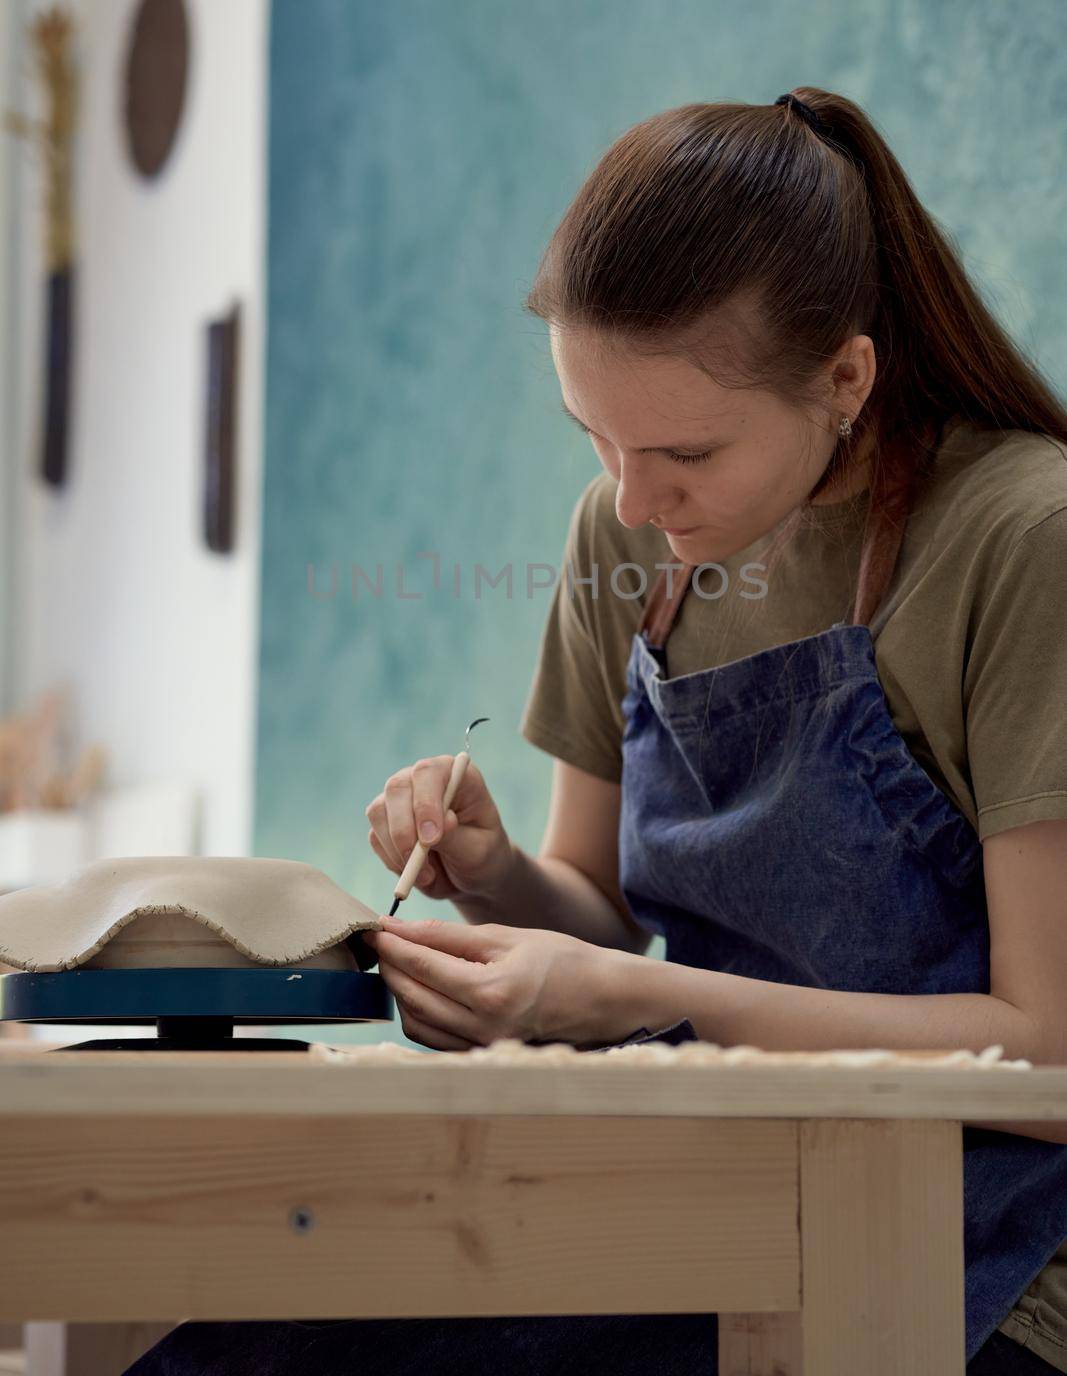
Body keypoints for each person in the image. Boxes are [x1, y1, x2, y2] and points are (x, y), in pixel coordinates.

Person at [128, 90, 1067, 1374]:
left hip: (978, 1251)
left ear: (846, 376)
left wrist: (625, 995)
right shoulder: (624, 536)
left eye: (683, 449)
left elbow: (1042, 1043)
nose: (633, 497)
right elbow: (600, 913)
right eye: (595, 438)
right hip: (709, 1178)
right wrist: (495, 875)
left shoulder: (1020, 535)